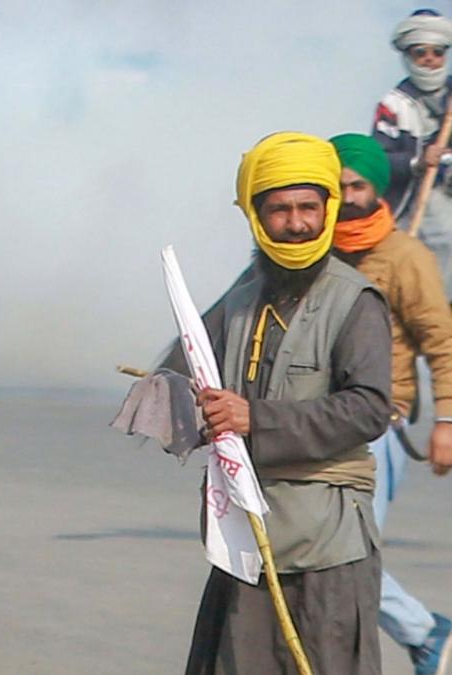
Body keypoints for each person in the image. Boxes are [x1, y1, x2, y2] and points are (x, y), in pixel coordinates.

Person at [169, 132, 392, 674]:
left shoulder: (354, 301)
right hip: (245, 536)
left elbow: (368, 409)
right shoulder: (242, 298)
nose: (296, 223)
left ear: (327, 210)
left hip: (325, 543)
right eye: (280, 210)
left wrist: (254, 418)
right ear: (256, 217)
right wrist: (187, 406)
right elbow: (180, 367)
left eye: (307, 208)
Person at [331, 132, 452, 675]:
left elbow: (441, 341)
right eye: (336, 187)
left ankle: (428, 638)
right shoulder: (311, 252)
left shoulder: (404, 255)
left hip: (380, 425)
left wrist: (447, 420)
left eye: (357, 184)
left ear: (375, 186)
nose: (348, 195)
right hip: (315, 425)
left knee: (346, 557)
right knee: (324, 555)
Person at [373, 9, 452, 297]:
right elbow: (381, 160)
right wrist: (419, 162)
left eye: (437, 52)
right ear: (408, 56)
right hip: (418, 199)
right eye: (421, 53)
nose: (430, 59)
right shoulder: (394, 105)